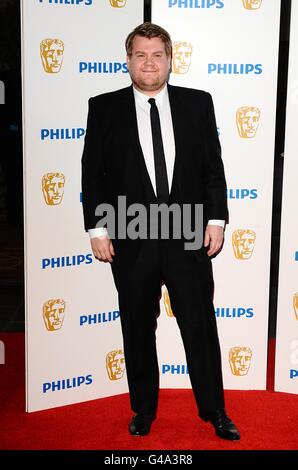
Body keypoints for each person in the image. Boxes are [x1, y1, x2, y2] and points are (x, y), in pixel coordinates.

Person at [81, 22, 240, 440]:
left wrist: (216, 220)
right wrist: (98, 229)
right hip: (131, 236)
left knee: (200, 326)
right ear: (128, 60)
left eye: (156, 55)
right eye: (140, 55)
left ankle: (215, 411)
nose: (148, 63)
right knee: (136, 326)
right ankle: (143, 410)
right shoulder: (103, 107)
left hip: (187, 232)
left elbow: (213, 169)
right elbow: (92, 174)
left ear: (170, 59)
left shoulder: (197, 104)